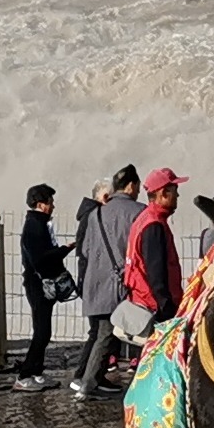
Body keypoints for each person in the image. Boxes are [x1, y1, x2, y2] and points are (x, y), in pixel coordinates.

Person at [71, 169, 142, 397]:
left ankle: (92, 381)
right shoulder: (139, 212)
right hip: (121, 283)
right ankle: (88, 384)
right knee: (108, 334)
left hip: (96, 282)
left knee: (103, 332)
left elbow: (85, 250)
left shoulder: (95, 214)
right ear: (131, 186)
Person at [15, 183, 66, 391]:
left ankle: (37, 372)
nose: (53, 206)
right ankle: (24, 374)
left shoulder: (40, 223)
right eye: (50, 202)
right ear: (40, 204)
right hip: (39, 284)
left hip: (42, 283)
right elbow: (39, 259)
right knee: (42, 332)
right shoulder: (35, 226)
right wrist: (63, 251)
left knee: (43, 330)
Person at [124, 167, 187, 331]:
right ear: (164, 193)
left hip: (144, 303)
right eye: (175, 191)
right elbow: (156, 273)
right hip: (155, 309)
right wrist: (168, 310)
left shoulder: (145, 219)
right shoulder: (154, 225)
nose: (178, 196)